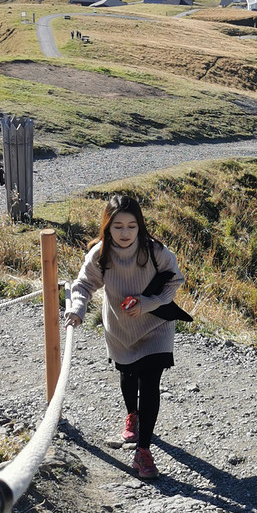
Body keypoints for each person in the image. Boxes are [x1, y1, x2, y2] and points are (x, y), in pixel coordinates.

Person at [65, 194, 186, 479]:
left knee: (151, 379)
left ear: (140, 226)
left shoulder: (154, 251)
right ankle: (132, 414)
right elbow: (82, 285)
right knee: (128, 375)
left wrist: (148, 303)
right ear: (107, 227)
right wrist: (77, 311)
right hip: (120, 328)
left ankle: (143, 452)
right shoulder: (100, 255)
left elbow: (174, 279)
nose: (125, 233)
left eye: (131, 226)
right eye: (118, 226)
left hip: (156, 324)